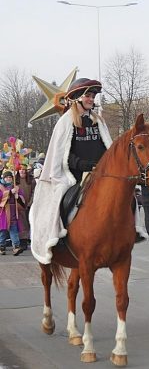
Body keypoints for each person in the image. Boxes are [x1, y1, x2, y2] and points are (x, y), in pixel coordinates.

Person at [29, 78, 114, 264]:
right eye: (88, 95)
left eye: (93, 96)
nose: (91, 99)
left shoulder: (98, 121)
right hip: (72, 176)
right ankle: (58, 237)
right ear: (76, 98)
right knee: (60, 199)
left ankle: (129, 231)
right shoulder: (66, 122)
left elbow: (107, 147)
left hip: (99, 174)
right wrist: (83, 164)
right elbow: (61, 154)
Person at [0, 171, 26, 256]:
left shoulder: (16, 187)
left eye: (10, 177)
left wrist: (18, 197)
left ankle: (16, 246)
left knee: (13, 229)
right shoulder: (1, 187)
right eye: (7, 177)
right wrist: (10, 192)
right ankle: (1, 246)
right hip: (3, 211)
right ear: (3, 178)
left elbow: (22, 197)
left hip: (14, 211)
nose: (8, 179)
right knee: (3, 230)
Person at [15, 167, 36, 250]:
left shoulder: (32, 181)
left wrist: (30, 203)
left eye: (24, 169)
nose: (22, 171)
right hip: (19, 206)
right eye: (20, 169)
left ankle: (30, 240)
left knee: (29, 222)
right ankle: (22, 242)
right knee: (22, 224)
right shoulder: (15, 180)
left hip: (29, 205)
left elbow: (34, 192)